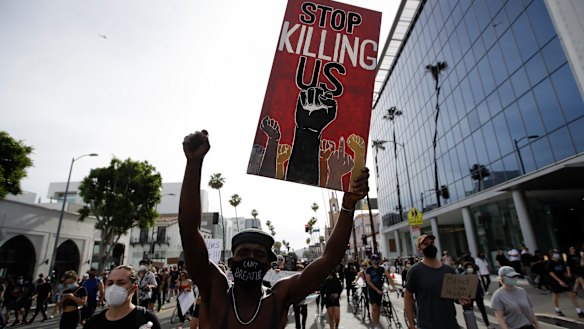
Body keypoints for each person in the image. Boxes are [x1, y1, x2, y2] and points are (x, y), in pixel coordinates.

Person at [178, 130, 369, 328]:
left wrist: (348, 205)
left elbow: (329, 260)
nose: (250, 258)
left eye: (258, 254)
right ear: (231, 262)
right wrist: (194, 164)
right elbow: (189, 232)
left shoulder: (278, 298)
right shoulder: (215, 290)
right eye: (243, 253)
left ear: (270, 264)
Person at [404, 234, 469, 329]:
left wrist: (461, 298)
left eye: (431, 243)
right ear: (420, 250)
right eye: (426, 244)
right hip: (427, 325)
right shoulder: (415, 271)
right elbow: (408, 298)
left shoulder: (449, 270)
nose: (430, 245)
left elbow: (455, 297)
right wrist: (412, 325)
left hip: (450, 324)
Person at [83, 265, 161, 329]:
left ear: (133, 289)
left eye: (121, 283)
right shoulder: (93, 323)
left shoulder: (147, 319)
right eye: (110, 283)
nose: (113, 287)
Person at [545, 249, 584, 317]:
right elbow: (551, 273)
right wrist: (559, 281)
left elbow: (564, 270)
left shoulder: (560, 261)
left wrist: (567, 276)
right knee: (556, 295)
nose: (557, 254)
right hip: (554, 281)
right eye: (555, 253)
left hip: (564, 280)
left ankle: (579, 311)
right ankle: (557, 310)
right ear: (552, 255)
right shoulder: (549, 262)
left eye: (557, 253)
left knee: (572, 294)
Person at [366, 254, 394, 329]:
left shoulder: (382, 269)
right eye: (374, 260)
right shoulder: (369, 269)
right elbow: (368, 281)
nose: (376, 261)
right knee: (374, 307)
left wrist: (392, 287)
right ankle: (375, 325)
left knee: (378, 307)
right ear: (371, 261)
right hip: (372, 290)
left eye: (377, 260)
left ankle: (377, 322)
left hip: (380, 290)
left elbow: (389, 277)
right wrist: (377, 290)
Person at [461, 262, 490, 327]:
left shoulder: (475, 274)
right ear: (465, 268)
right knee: (469, 310)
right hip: (469, 296)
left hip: (478, 295)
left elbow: (479, 285)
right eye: (468, 267)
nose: (470, 269)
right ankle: (472, 324)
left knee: (482, 309)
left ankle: (487, 324)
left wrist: (481, 294)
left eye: (471, 267)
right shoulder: (463, 275)